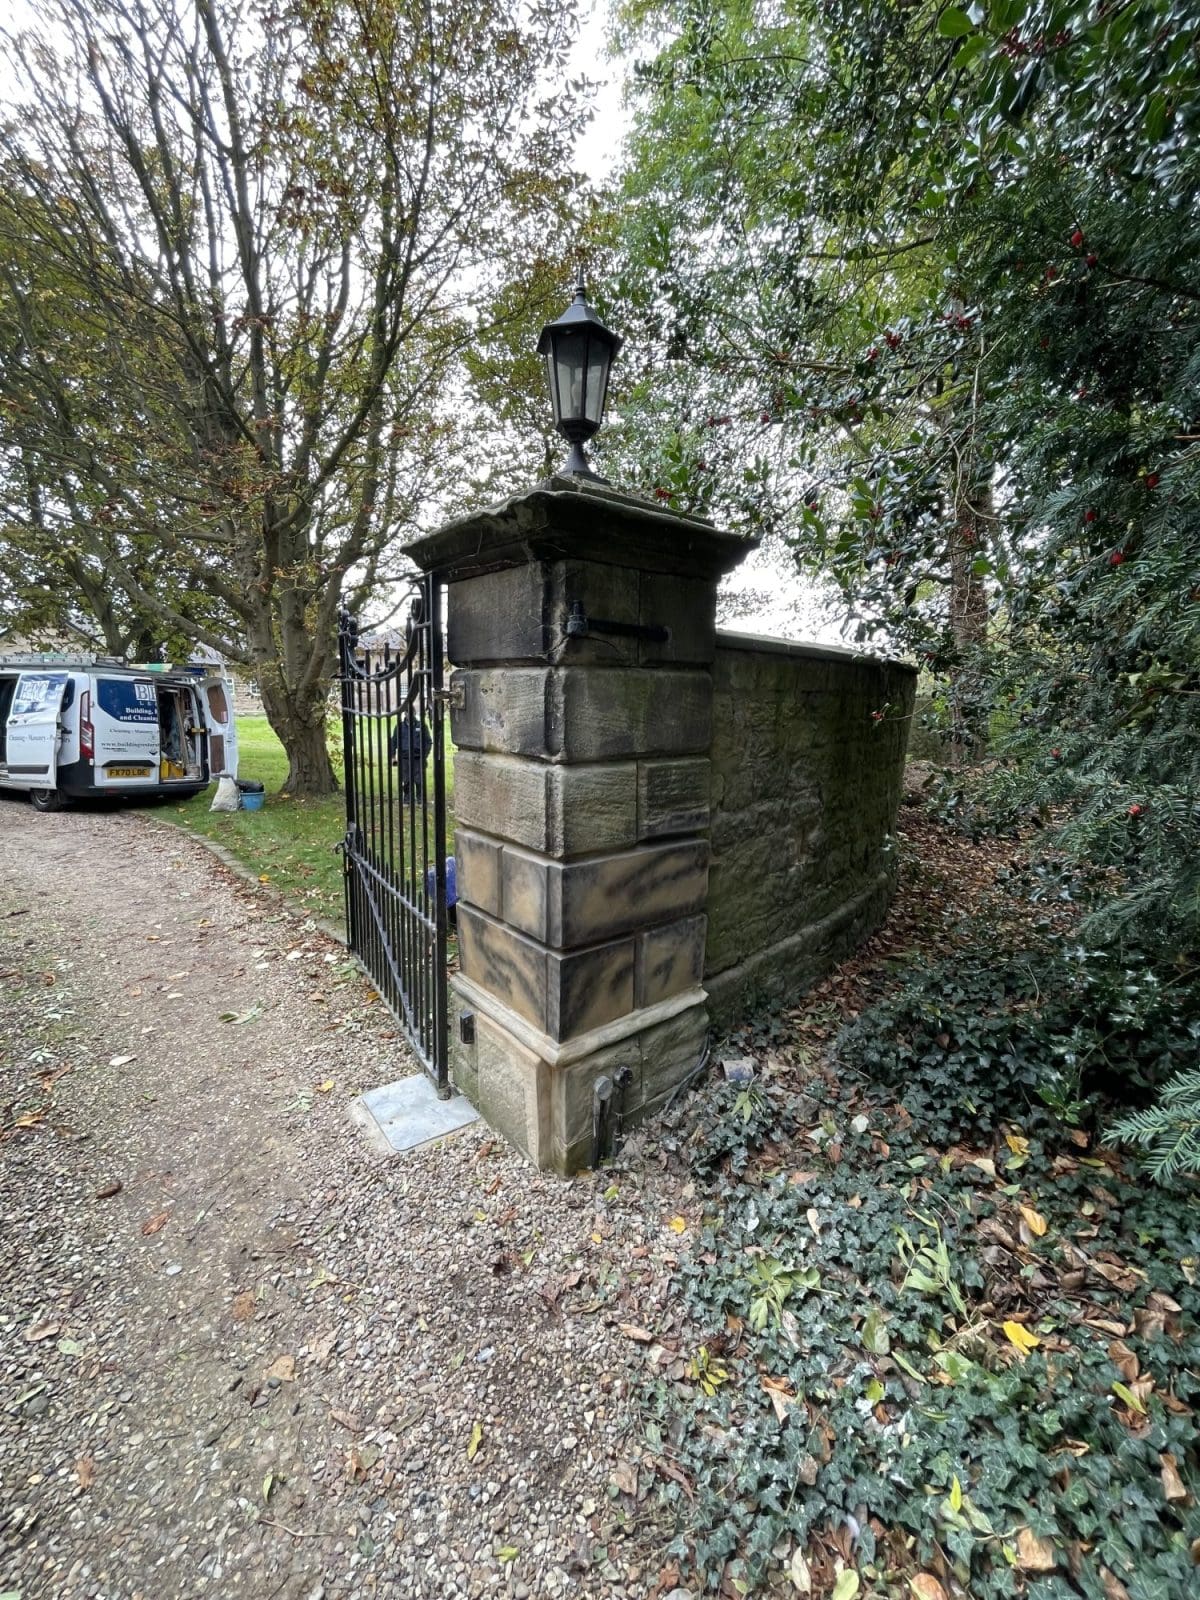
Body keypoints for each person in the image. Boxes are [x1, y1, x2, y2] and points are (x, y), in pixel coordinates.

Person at [389, 709, 432, 804]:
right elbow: (393, 742)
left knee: (419, 780)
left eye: (412, 712)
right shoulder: (399, 727)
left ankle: (420, 800)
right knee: (406, 780)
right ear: (405, 713)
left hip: (418, 758)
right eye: (408, 712)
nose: (410, 714)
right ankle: (407, 800)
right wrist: (393, 756)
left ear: (415, 713)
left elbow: (428, 741)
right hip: (404, 758)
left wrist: (424, 755)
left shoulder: (422, 726)